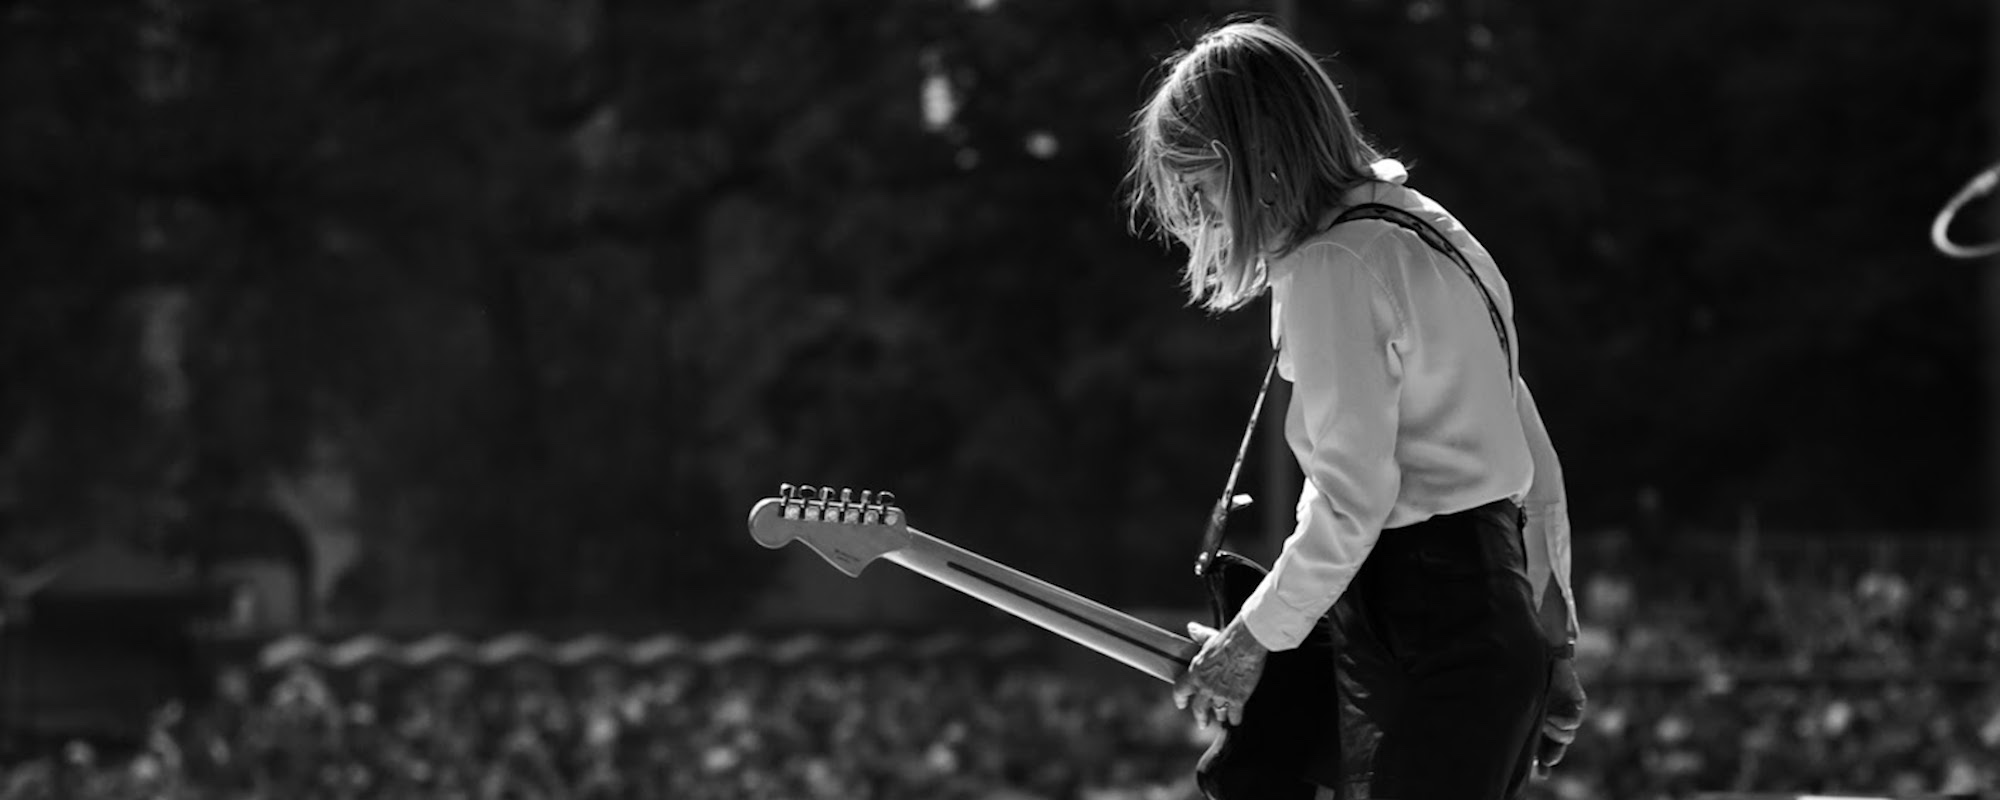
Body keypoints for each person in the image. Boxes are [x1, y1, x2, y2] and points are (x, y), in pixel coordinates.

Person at [1123, 18, 1586, 800]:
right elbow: (1533, 466)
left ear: (1251, 159)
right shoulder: (1437, 232)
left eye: (1200, 190)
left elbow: (1351, 500)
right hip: (1478, 632)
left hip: (1427, 643)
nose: (1201, 219)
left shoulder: (1334, 264)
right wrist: (1553, 645)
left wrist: (1252, 640)